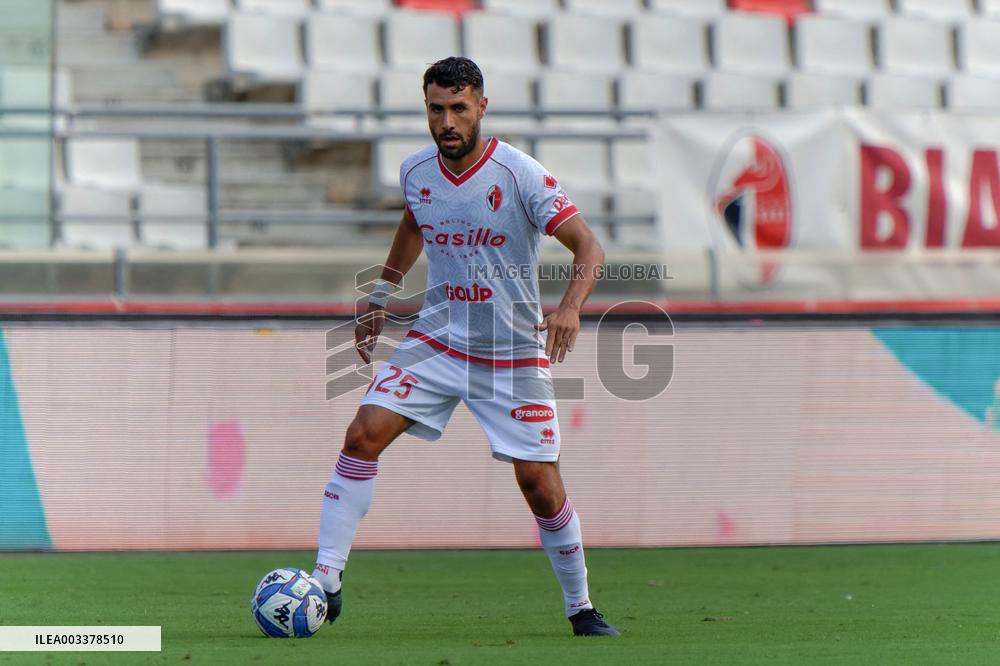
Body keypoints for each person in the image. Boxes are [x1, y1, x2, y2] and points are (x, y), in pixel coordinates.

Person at [312, 56, 619, 637]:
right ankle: (325, 583)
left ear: (482, 106)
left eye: (458, 108)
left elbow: (589, 246)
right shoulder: (416, 170)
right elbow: (414, 223)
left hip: (511, 352)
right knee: (361, 435)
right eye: (436, 109)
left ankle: (581, 607)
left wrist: (571, 307)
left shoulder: (520, 174)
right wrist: (381, 294)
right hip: (438, 340)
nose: (447, 121)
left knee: (539, 485)